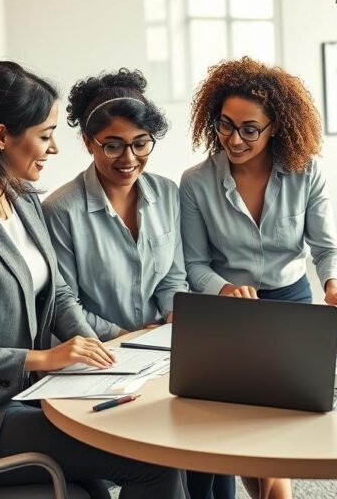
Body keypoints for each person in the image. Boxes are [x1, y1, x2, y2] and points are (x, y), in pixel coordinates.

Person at [0, 40, 186, 499]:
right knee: (153, 462)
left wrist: (106, 355)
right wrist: (42, 358)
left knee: (140, 441)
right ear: (2, 136)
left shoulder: (22, 198)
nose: (55, 148)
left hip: (21, 397)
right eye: (45, 134)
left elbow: (59, 294)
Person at [179, 57, 337, 499]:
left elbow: (327, 249)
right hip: (229, 312)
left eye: (250, 129)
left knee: (274, 422)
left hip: (291, 301)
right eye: (225, 125)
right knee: (244, 425)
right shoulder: (195, 183)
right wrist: (225, 288)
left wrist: (334, 286)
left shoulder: (305, 171)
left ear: (276, 127)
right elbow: (194, 264)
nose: (234, 139)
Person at [41, 70, 232, 499]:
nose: (128, 157)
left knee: (217, 444)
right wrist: (127, 338)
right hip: (102, 359)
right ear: (90, 143)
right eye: (113, 145)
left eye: (141, 143)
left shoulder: (166, 193)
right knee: (164, 457)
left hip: (165, 348)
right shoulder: (61, 210)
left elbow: (174, 273)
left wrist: (172, 315)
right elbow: (63, 300)